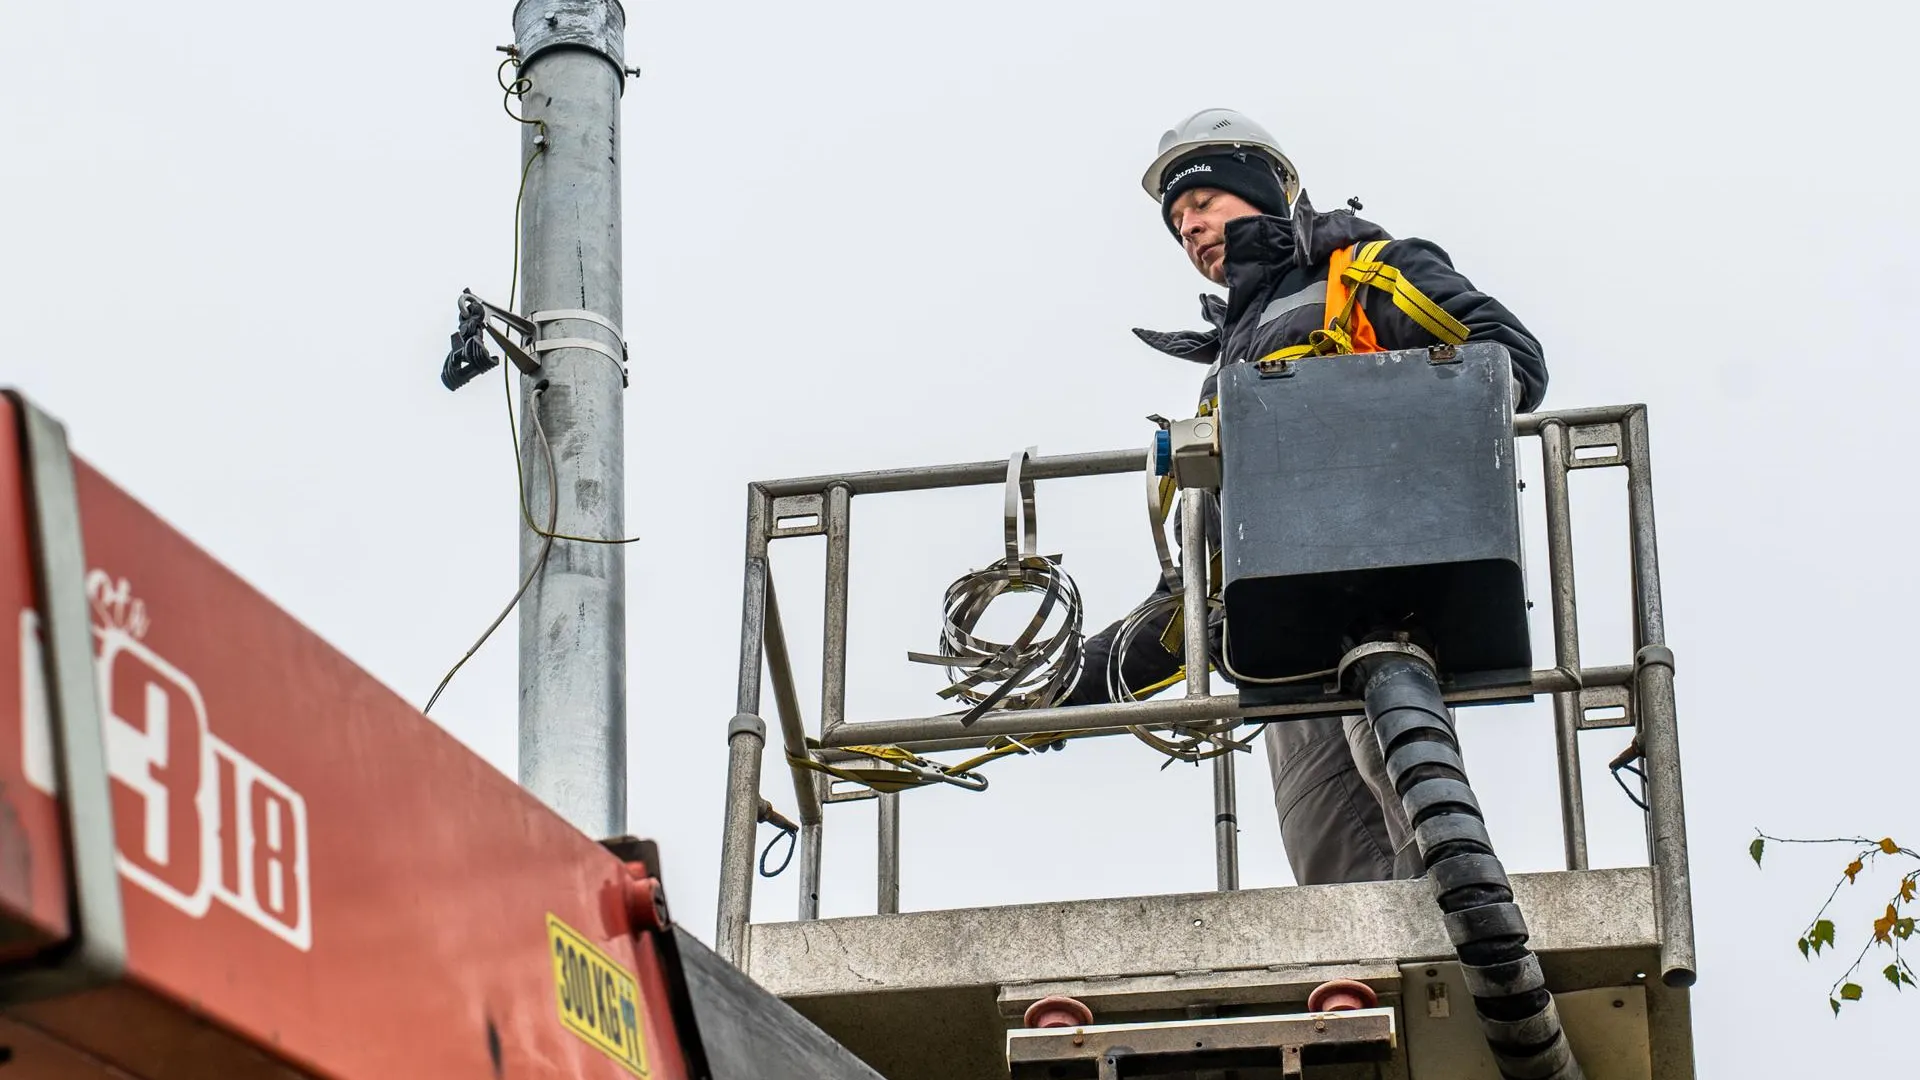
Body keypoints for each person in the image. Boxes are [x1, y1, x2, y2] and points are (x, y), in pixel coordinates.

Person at [1062, 108, 1548, 885]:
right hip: (1280, 647)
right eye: (1177, 222)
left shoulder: (1360, 275)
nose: (1190, 229)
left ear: (1262, 192)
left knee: (1416, 814)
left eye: (1205, 204)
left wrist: (1356, 438)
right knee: (1327, 859)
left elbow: (1510, 367)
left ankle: (1470, 951)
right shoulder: (1226, 372)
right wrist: (1066, 687)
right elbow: (1199, 587)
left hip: (1381, 613)